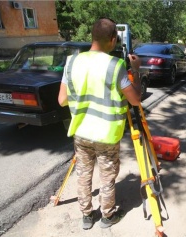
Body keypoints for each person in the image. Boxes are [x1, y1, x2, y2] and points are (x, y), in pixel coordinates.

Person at [57, 17, 142, 230]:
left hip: (81, 132)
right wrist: (137, 71)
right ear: (113, 39)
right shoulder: (116, 66)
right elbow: (135, 100)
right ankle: (107, 216)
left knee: (84, 174)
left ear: (92, 37)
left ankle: (86, 216)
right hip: (106, 134)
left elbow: (61, 100)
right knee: (107, 176)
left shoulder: (72, 62)